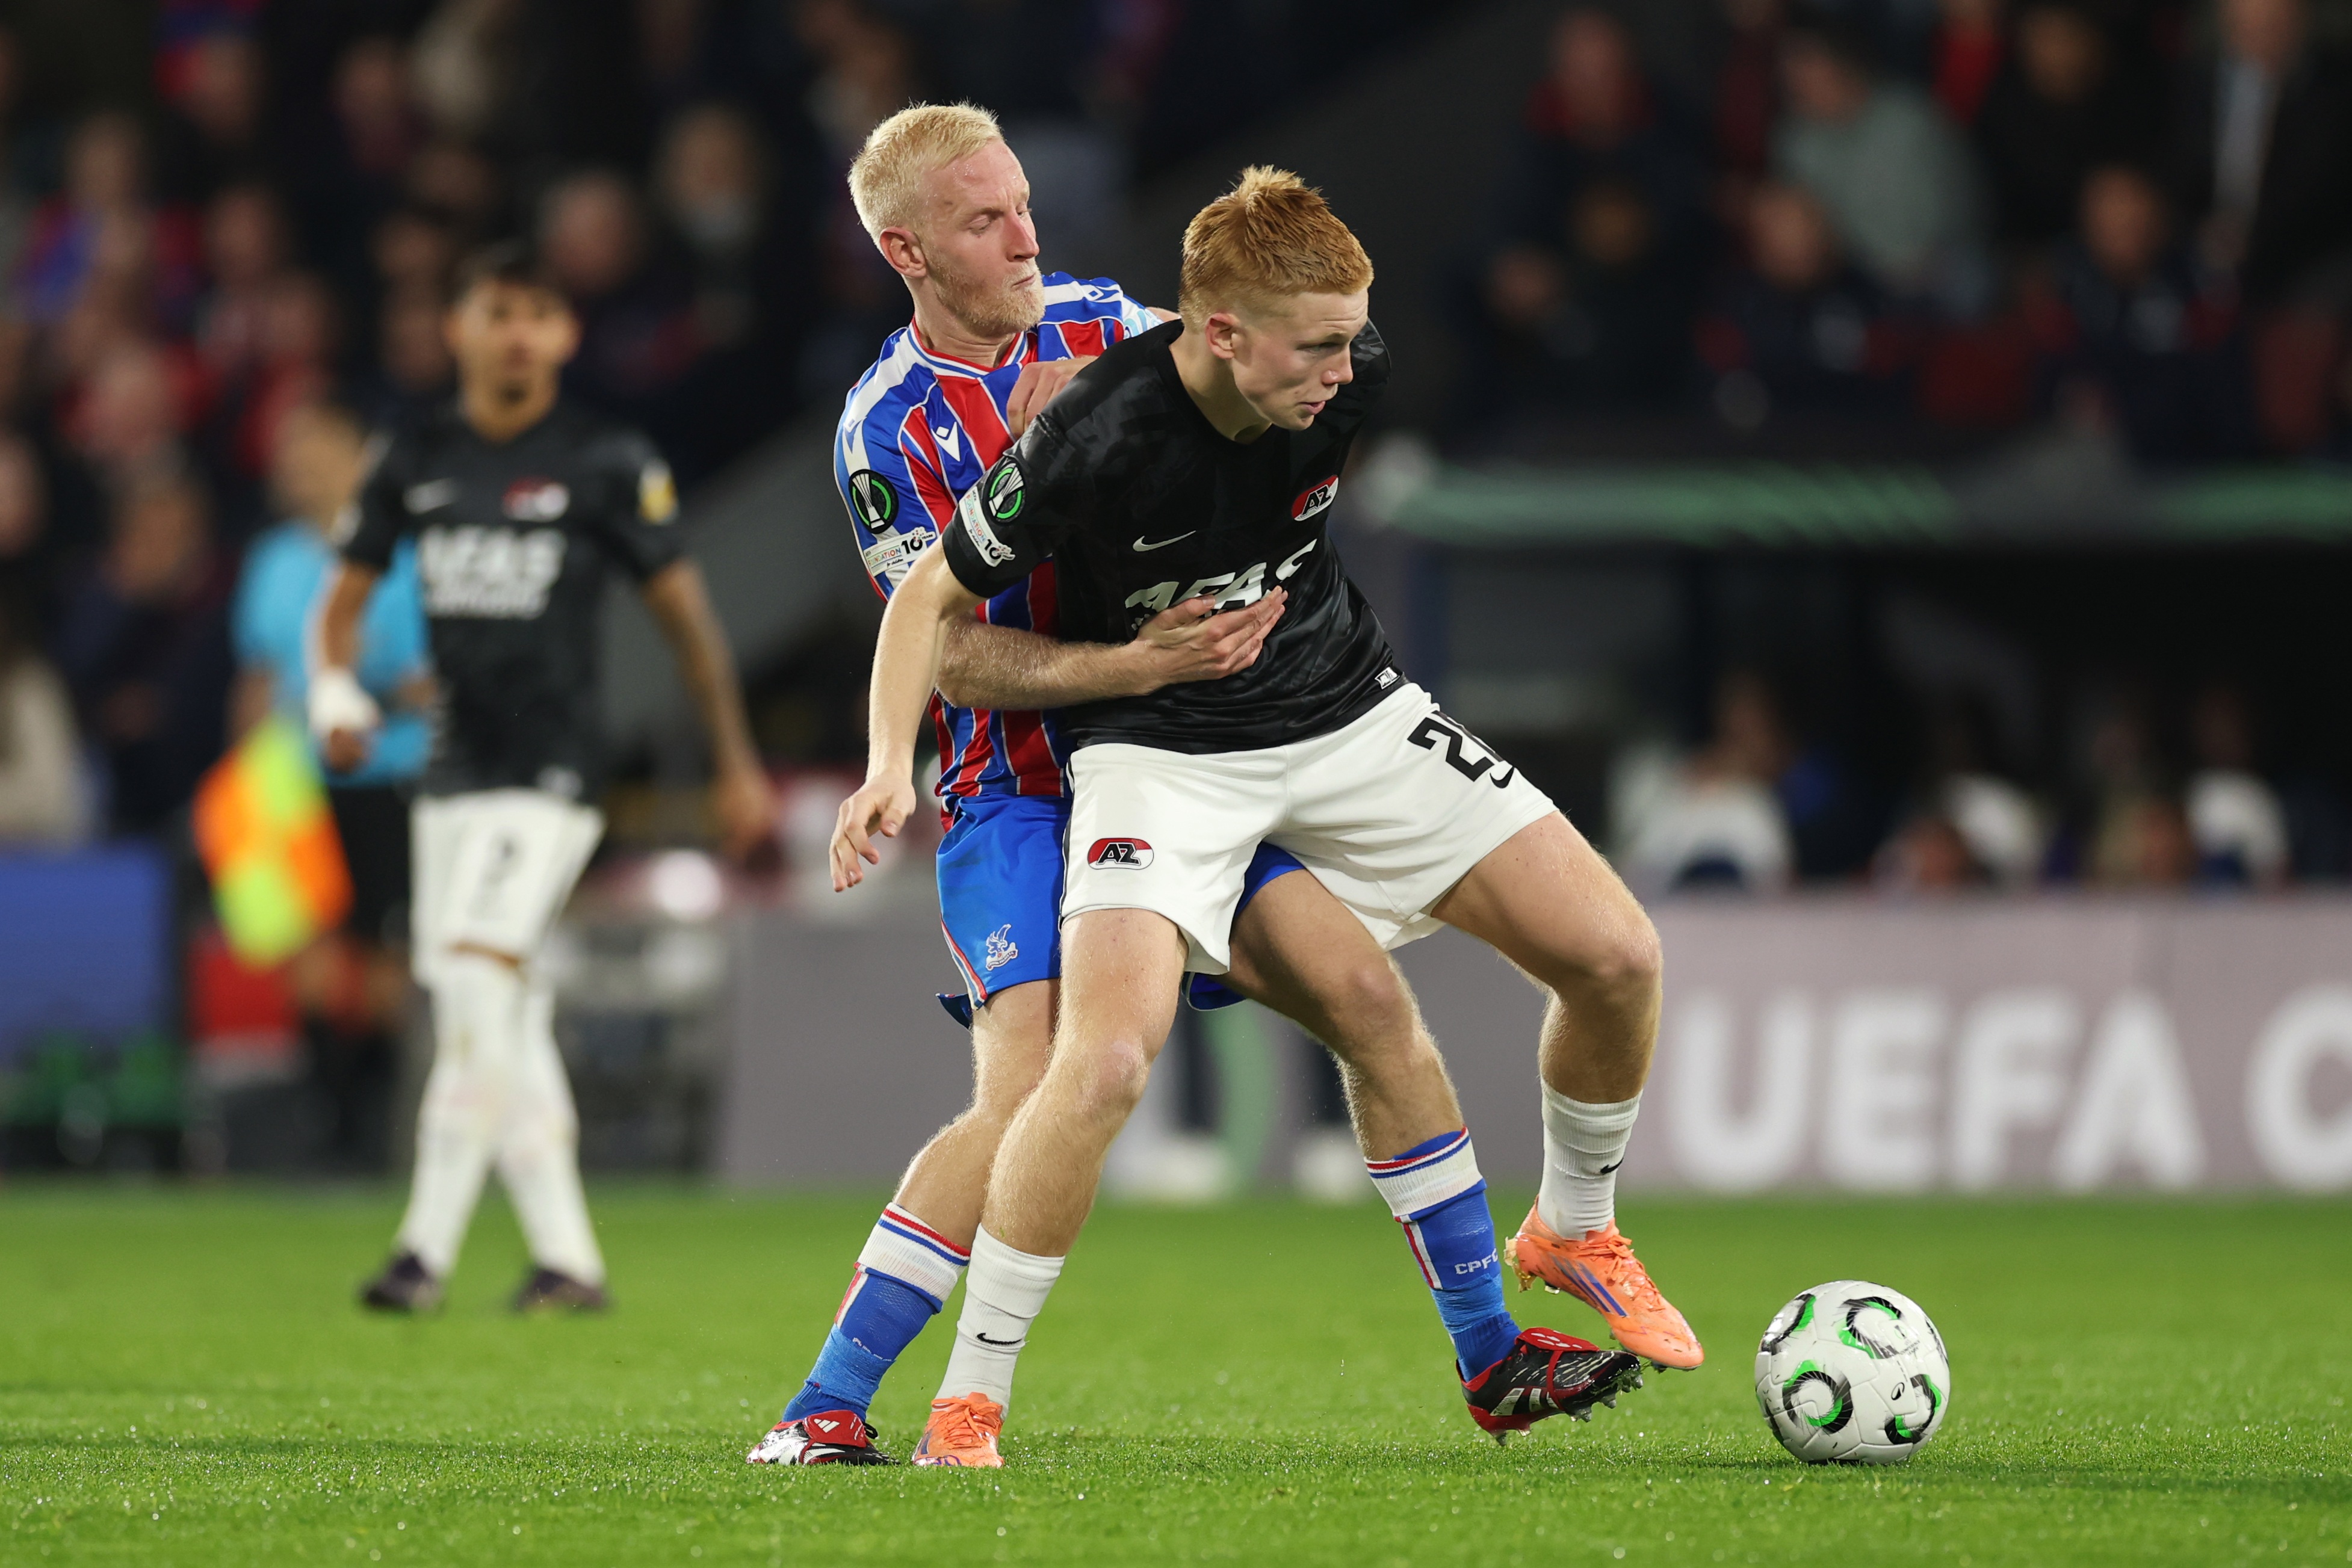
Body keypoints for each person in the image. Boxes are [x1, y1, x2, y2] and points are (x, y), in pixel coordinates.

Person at [755, 104, 1632, 1472]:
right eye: (986, 221)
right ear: (903, 248)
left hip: (1183, 757)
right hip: (1021, 795)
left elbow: (1236, 367)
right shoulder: (888, 428)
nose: (1027, 237)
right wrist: (1078, 676)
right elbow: (956, 651)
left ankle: (1493, 1360)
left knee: (1364, 1000)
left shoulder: (1111, 325)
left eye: (1025, 203)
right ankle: (826, 1403)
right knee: (1039, 1081)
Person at [313, 239, 773, 1313]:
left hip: (555, 772)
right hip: (450, 770)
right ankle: (569, 1259)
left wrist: (734, 760)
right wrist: (334, 693)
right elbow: (335, 610)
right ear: (459, 327)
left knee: (474, 976)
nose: (517, 332)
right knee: (499, 1010)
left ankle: (421, 1250)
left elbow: (688, 623)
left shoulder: (603, 458)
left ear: (564, 335)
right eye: (497, 311)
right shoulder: (412, 455)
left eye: (537, 314)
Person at [230, 400, 429, 1168]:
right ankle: (326, 1118)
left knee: (382, 950)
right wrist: (247, 777)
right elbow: (256, 679)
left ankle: (372, 1124)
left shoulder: (406, 557)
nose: (301, 468)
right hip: (297, 779)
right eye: (293, 455)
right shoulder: (275, 560)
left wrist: (360, 697)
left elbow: (427, 681)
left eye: (318, 451)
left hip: (388, 773)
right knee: (308, 947)